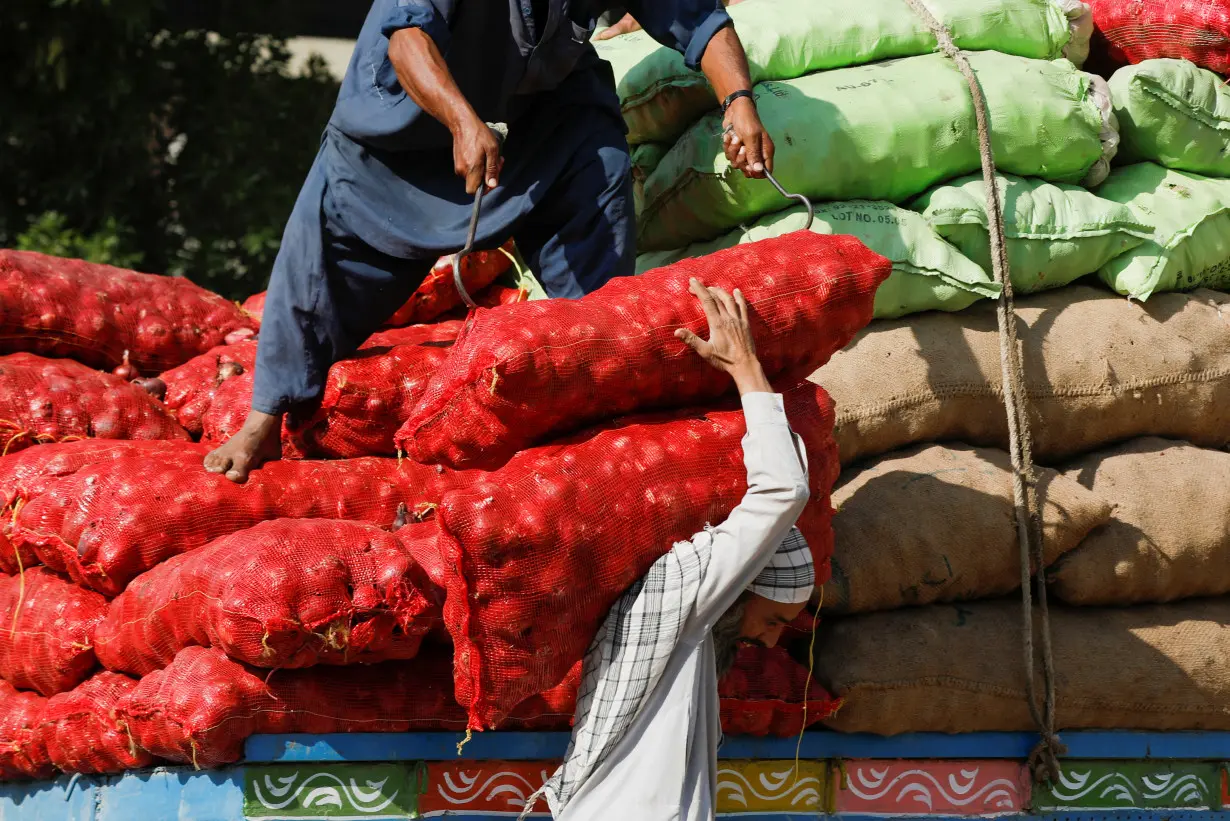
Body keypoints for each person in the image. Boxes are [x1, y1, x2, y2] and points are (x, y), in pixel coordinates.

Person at [204, 0, 777, 482]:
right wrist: (460, 120)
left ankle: (597, 392)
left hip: (540, 120)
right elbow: (406, 40)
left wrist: (739, 102)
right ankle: (263, 419)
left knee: (599, 157)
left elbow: (700, 20)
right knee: (323, 254)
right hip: (404, 125)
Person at [522, 278, 814, 821]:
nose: (769, 640)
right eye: (773, 619)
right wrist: (747, 371)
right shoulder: (683, 599)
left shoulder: (676, 622)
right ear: (741, 581)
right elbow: (785, 492)